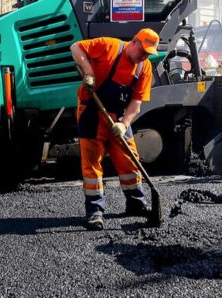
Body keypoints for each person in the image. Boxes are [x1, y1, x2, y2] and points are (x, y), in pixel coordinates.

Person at [70, 28, 159, 230]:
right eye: (142, 51)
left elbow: (136, 102)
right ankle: (95, 212)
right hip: (92, 111)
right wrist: (89, 73)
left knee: (129, 159)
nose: (144, 56)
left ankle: (136, 203)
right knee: (92, 163)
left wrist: (124, 123)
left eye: (148, 53)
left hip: (118, 117)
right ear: (134, 41)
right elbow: (75, 47)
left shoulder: (144, 67)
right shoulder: (108, 45)